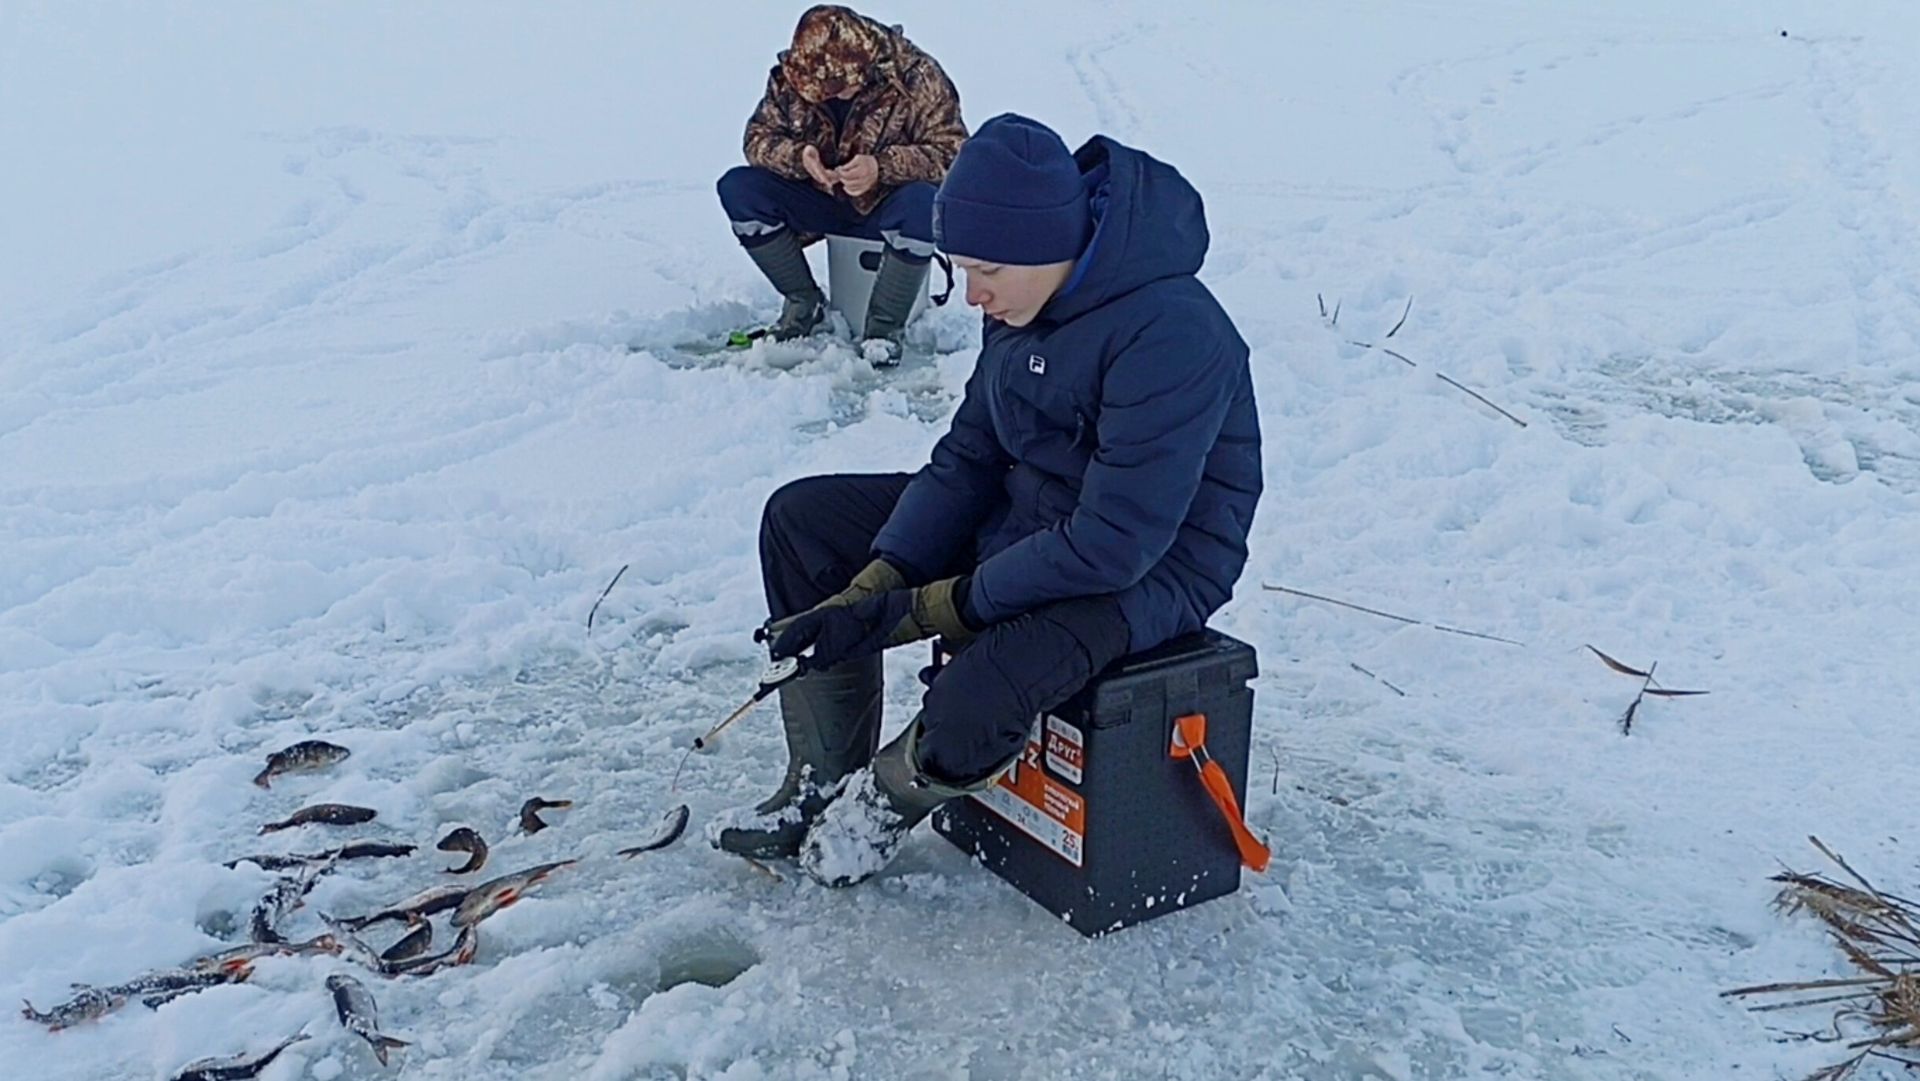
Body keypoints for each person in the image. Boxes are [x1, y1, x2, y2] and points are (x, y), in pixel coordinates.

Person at [708, 113, 1263, 886]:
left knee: (980, 692)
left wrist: (926, 608)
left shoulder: (1172, 334)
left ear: (1045, 246)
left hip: (1147, 569)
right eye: (962, 269)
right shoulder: (1024, 300)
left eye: (984, 272)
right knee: (804, 522)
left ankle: (870, 810)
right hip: (1031, 518)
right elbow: (970, 456)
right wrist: (880, 575)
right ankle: (823, 778)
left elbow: (1113, 542)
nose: (971, 296)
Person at [715, 5, 966, 363]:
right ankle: (804, 304)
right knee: (739, 189)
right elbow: (757, 139)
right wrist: (800, 157)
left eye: (838, 88)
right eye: (820, 91)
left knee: (923, 205)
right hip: (822, 199)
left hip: (891, 205)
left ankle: (883, 331)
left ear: (863, 68)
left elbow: (955, 154)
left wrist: (882, 167)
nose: (829, 96)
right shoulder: (792, 77)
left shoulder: (917, 75)